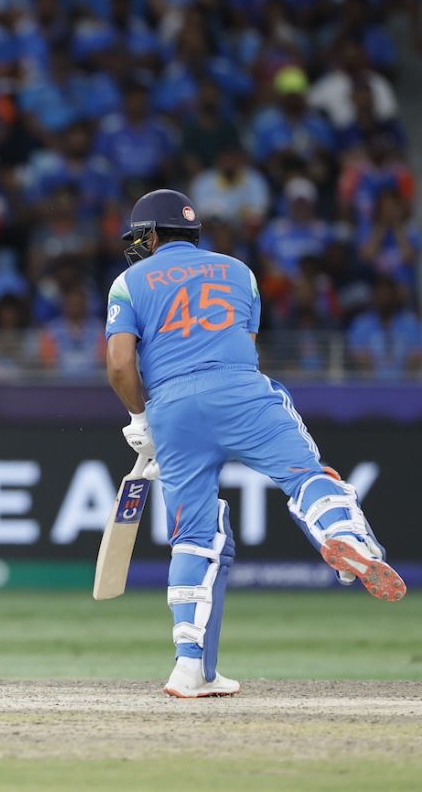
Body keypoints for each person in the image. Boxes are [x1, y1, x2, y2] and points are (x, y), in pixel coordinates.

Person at [104, 189, 405, 700]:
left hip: (173, 409)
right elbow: (243, 345)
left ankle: (190, 668)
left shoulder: (128, 282)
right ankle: (346, 539)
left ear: (151, 236)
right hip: (240, 390)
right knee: (307, 475)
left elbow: (118, 364)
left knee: (193, 536)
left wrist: (140, 418)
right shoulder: (240, 272)